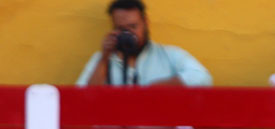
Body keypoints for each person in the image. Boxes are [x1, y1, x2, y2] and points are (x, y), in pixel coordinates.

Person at [76, 0, 212, 86]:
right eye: (121, 29)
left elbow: (203, 78)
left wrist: (158, 88)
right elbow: (82, 97)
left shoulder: (169, 55)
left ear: (146, 23)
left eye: (133, 26)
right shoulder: (101, 59)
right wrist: (104, 59)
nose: (128, 33)